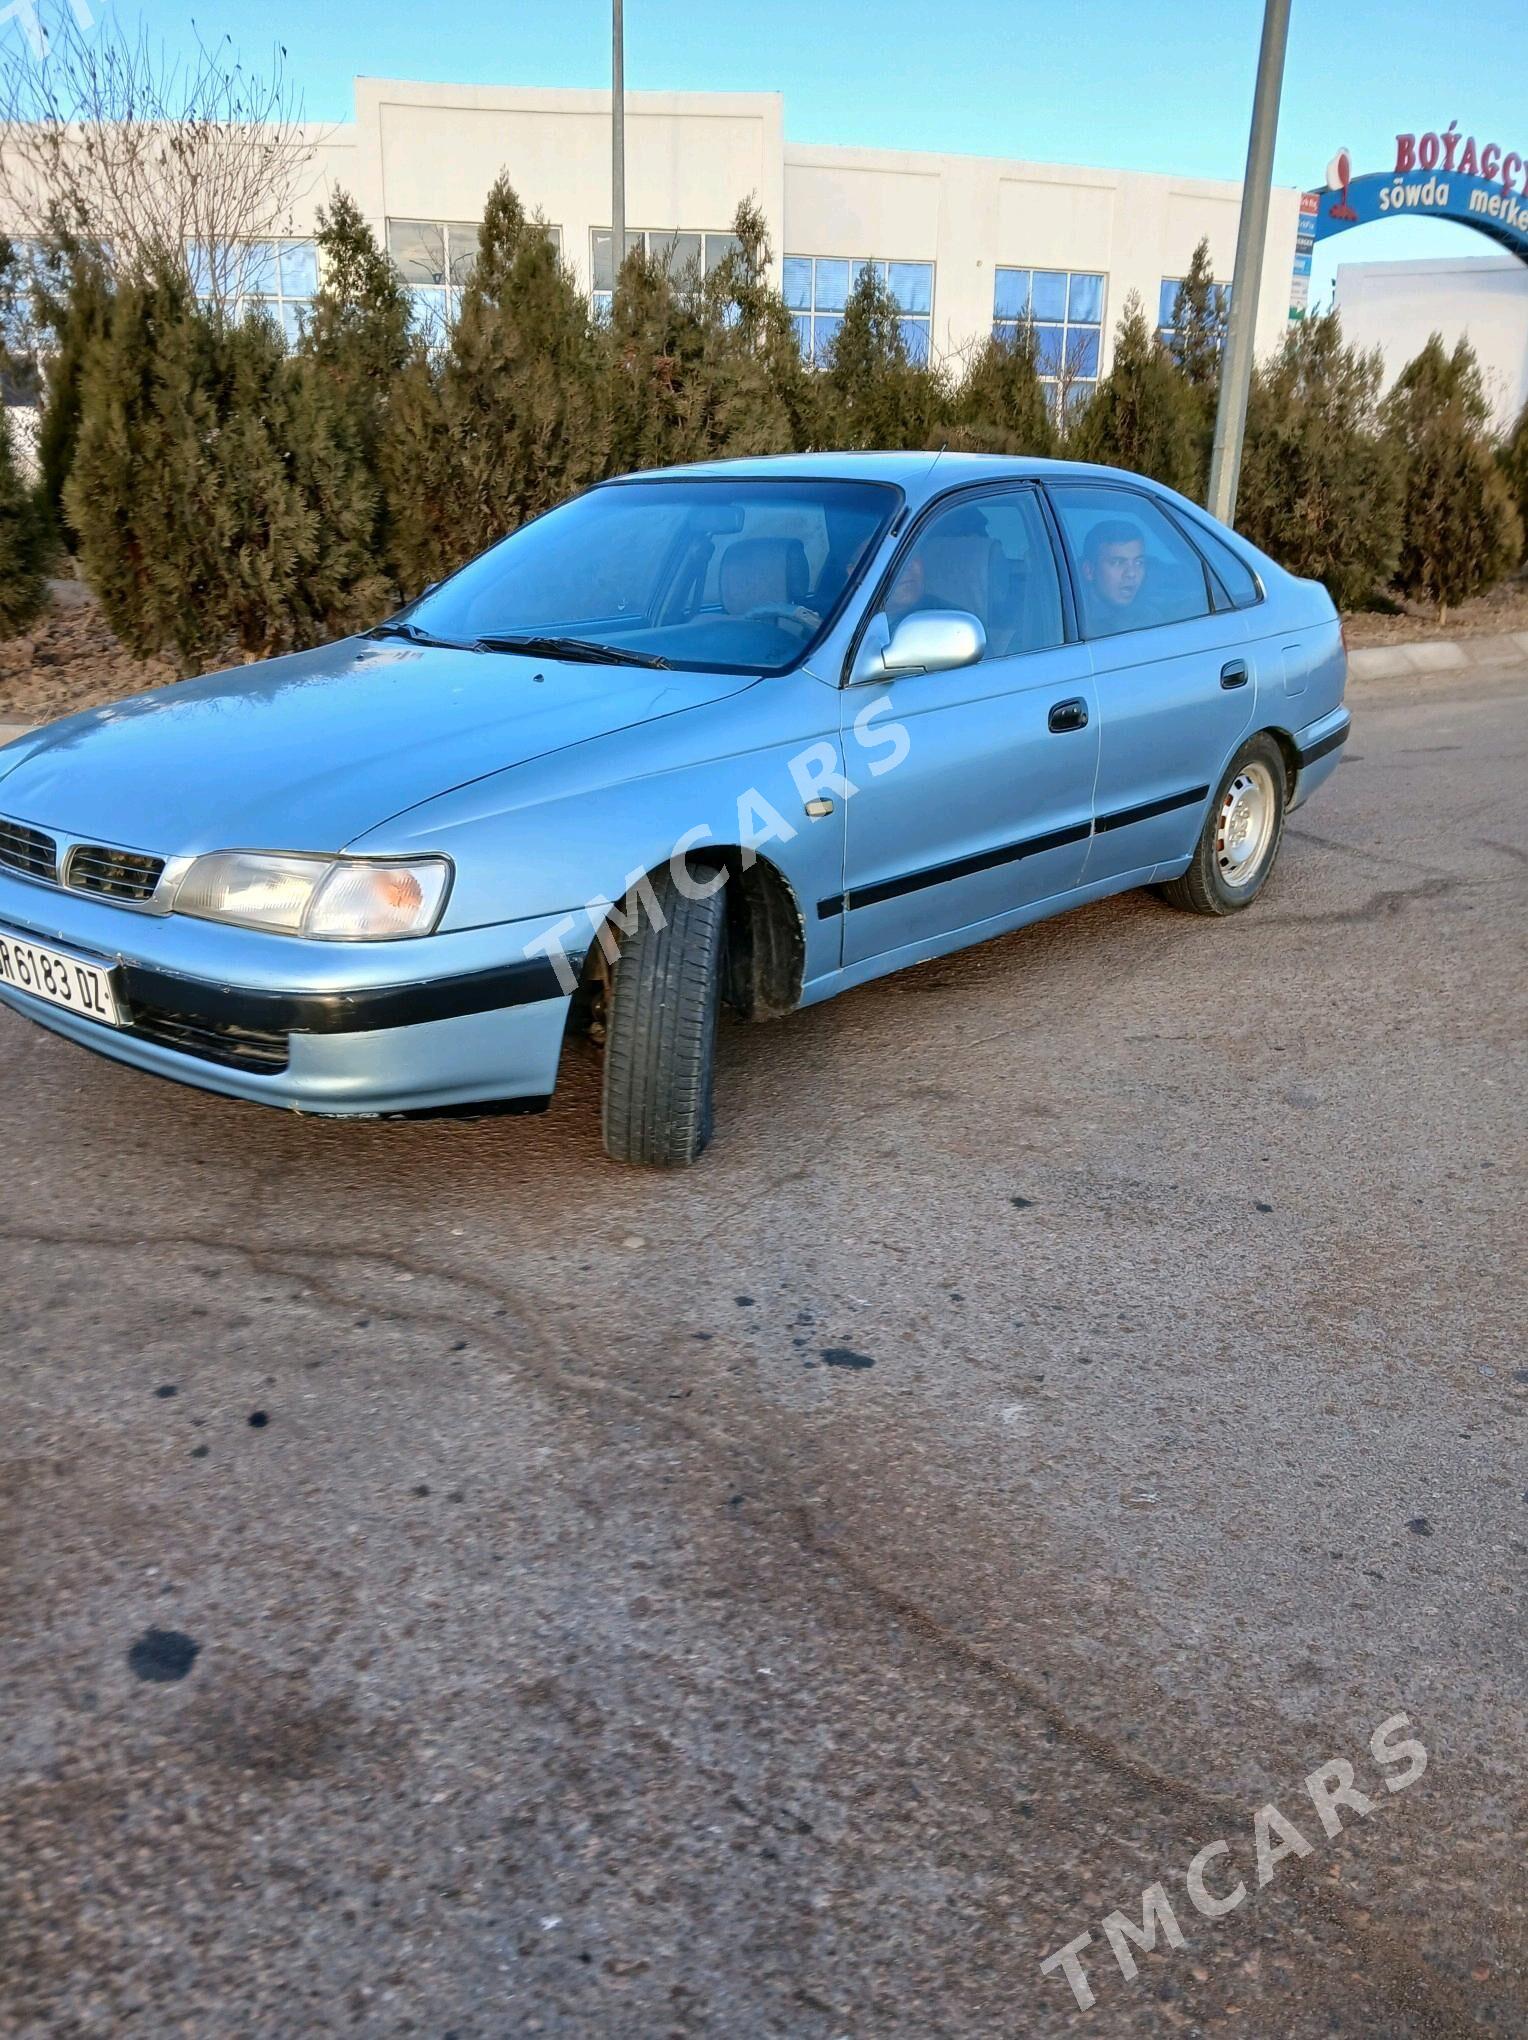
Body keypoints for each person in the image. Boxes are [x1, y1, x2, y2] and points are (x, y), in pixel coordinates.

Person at [1079, 519, 1149, 630]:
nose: (1131, 573)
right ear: (1089, 571)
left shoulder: (1151, 619)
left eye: (1139, 562)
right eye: (1118, 562)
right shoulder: (1068, 621)